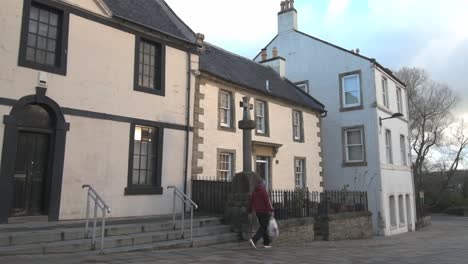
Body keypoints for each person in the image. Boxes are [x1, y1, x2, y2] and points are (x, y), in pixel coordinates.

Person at [248, 179, 274, 249]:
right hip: (265, 212)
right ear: (262, 184)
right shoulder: (263, 192)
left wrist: (250, 210)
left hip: (258, 212)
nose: (265, 185)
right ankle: (254, 239)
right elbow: (267, 202)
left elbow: (251, 202)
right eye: (264, 184)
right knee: (263, 227)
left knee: (263, 227)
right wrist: (271, 210)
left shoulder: (254, 192)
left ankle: (266, 243)